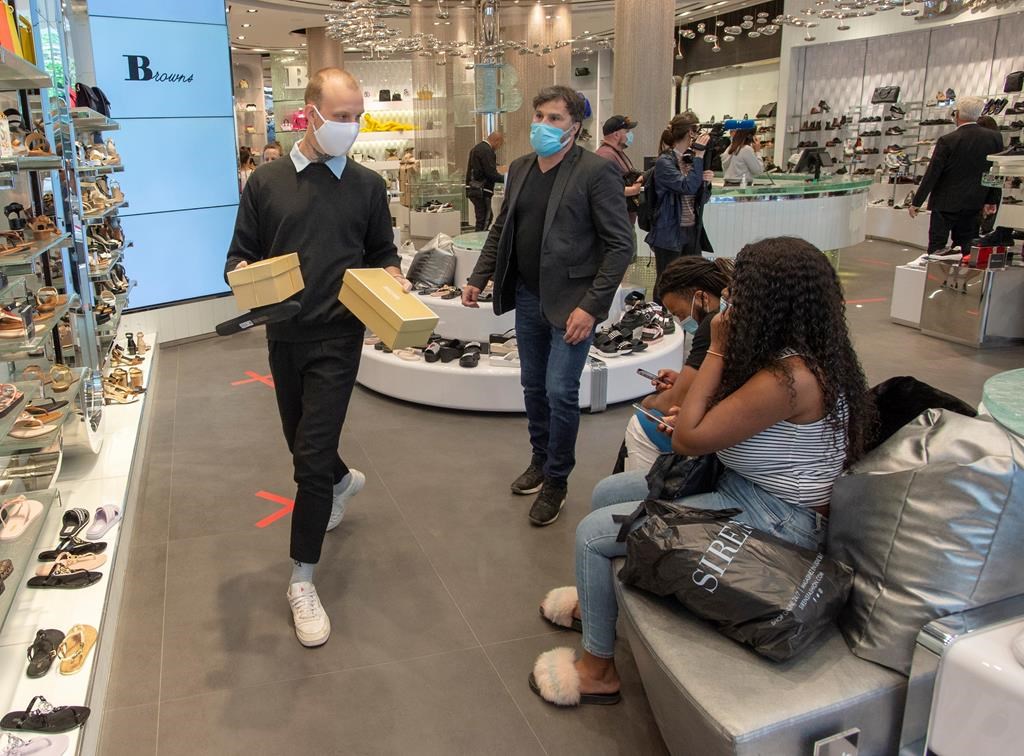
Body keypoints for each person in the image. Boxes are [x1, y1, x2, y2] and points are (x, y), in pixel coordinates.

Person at [529, 237, 876, 707]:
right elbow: (715, 419)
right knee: (611, 491)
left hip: (779, 518)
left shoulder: (790, 377)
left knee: (593, 535)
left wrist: (715, 348)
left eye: (739, 292)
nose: (728, 302)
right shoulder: (790, 357)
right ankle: (598, 610)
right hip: (745, 488)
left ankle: (597, 671)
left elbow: (690, 438)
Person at [224, 67, 408, 648]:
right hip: (282, 336)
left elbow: (384, 254)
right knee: (303, 443)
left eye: (357, 116)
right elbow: (238, 258)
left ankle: (302, 577)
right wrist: (244, 277)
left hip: (339, 337)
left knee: (306, 459)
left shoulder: (367, 187)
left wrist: (394, 283)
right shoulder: (267, 183)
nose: (351, 126)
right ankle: (341, 482)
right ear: (311, 112)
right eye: (342, 115)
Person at [462, 86, 634, 527]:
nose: (542, 124)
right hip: (527, 296)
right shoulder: (519, 168)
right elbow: (502, 229)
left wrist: (592, 307)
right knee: (533, 387)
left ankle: (558, 478)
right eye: (539, 115)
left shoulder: (595, 172)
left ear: (575, 127)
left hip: (573, 304)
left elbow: (620, 246)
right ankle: (540, 460)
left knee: (561, 391)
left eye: (554, 118)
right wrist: (478, 277)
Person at [623, 257, 733, 472]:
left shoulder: (713, 324)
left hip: (718, 442)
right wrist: (683, 380)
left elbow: (676, 400)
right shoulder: (729, 317)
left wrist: (649, 401)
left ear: (700, 297)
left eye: (680, 314)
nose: (681, 321)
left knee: (641, 424)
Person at [909, 96, 1003, 252]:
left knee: (937, 247)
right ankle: (961, 275)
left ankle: (937, 275)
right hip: (975, 201)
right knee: (966, 246)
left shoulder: (948, 140)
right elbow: (995, 171)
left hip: (945, 203)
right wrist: (992, 199)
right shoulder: (994, 138)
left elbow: (933, 173)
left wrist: (917, 202)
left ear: (957, 114)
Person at [645, 112, 715, 292]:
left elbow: (701, 199)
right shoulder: (665, 162)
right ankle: (660, 317)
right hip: (669, 231)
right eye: (696, 131)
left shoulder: (690, 160)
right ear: (690, 133)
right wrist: (699, 158)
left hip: (691, 229)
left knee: (692, 282)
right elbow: (686, 187)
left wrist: (706, 183)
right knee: (667, 283)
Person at [595, 115, 644, 226]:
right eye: (627, 131)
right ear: (616, 135)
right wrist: (634, 190)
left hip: (624, 222)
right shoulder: (606, 155)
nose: (630, 135)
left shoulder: (616, 153)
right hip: (615, 224)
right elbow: (606, 189)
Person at [466, 131, 505, 231]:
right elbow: (490, 172)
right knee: (485, 219)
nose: (499, 147)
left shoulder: (476, 149)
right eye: (500, 144)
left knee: (482, 218)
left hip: (474, 189)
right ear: (497, 141)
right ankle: (480, 242)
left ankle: (478, 240)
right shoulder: (486, 151)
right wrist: (506, 179)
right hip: (483, 190)